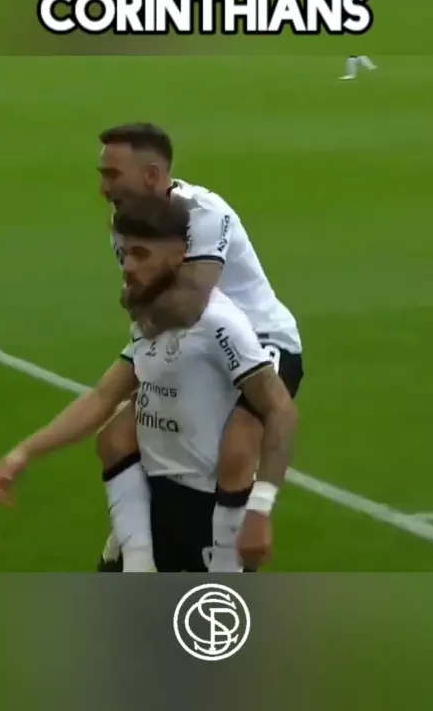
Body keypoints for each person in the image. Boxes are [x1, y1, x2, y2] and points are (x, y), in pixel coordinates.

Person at [0, 195, 297, 572]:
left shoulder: (218, 323)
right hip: (152, 501)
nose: (128, 266)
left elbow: (279, 410)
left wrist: (259, 510)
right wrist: (23, 453)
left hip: (206, 513)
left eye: (141, 254)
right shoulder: (152, 317)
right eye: (124, 253)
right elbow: (102, 397)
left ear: (179, 254)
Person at [96, 122, 304, 572]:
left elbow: (187, 304)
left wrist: (144, 306)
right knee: (116, 439)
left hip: (261, 339)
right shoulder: (126, 223)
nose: (103, 188)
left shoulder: (204, 213)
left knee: (237, 448)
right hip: (192, 343)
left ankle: (228, 562)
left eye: (113, 174)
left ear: (152, 175)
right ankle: (137, 555)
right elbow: (144, 304)